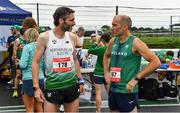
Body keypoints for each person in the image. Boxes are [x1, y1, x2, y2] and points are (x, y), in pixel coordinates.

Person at [103, 15, 161, 112]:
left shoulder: (135, 42)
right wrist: (106, 73)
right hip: (113, 89)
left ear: (125, 27)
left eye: (114, 25)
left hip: (127, 90)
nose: (111, 28)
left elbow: (156, 62)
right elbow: (106, 56)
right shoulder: (113, 41)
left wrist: (136, 79)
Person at [32, 6, 85, 112]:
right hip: (53, 86)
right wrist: (36, 87)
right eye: (71, 20)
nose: (74, 23)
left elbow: (74, 60)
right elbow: (35, 62)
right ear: (61, 20)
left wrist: (81, 80)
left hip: (71, 85)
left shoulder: (72, 37)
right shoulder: (44, 37)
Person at [12, 17, 38, 98]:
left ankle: (26, 89)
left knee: (26, 77)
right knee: (18, 75)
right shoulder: (18, 40)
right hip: (20, 60)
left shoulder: (32, 40)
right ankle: (15, 90)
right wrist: (16, 59)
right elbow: (14, 52)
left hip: (30, 62)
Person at [19, 28, 44, 112]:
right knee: (39, 108)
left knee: (29, 109)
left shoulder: (27, 47)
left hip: (28, 79)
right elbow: (44, 65)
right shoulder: (41, 47)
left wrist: (18, 62)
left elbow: (23, 65)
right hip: (40, 78)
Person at [88, 33, 111, 112]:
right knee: (110, 93)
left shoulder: (102, 49)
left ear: (103, 40)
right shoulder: (111, 48)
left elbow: (90, 50)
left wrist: (96, 42)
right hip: (108, 73)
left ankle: (98, 111)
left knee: (98, 93)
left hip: (98, 73)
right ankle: (113, 109)